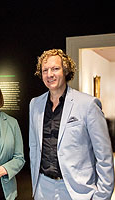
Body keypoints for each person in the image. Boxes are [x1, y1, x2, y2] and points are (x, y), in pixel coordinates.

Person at [29, 49, 114, 200]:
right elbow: (34, 147)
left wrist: (102, 196)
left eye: (55, 69)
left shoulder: (88, 105)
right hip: (43, 188)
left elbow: (104, 156)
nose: (50, 74)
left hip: (77, 191)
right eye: (45, 70)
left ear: (66, 71)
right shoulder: (35, 104)